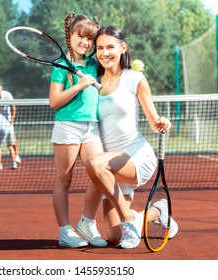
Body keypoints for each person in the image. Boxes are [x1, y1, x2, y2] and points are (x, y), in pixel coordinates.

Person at [85, 25, 178, 249]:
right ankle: (158, 211)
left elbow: (154, 121)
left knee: (95, 164)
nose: (104, 53)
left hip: (135, 157)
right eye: (99, 48)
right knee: (113, 237)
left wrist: (162, 123)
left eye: (110, 47)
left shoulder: (134, 78)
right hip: (111, 168)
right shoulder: (92, 82)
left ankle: (128, 219)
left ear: (123, 48)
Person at [49, 12, 107, 248]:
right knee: (64, 179)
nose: (85, 42)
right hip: (68, 127)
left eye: (89, 38)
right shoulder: (60, 66)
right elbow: (54, 102)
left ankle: (87, 222)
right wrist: (80, 85)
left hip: (91, 127)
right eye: (80, 36)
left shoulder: (94, 63)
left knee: (99, 173)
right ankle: (65, 231)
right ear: (70, 36)